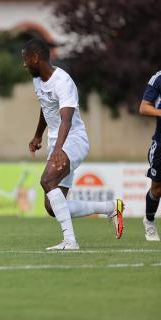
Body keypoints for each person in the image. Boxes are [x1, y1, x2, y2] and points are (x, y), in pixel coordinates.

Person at [21, 38, 124, 250]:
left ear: (35, 57)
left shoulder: (63, 81)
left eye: (25, 60)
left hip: (73, 140)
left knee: (47, 180)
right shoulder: (38, 80)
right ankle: (110, 208)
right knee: (52, 206)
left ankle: (70, 241)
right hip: (56, 142)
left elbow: (66, 119)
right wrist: (38, 135)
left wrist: (59, 149)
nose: (24, 64)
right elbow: (46, 107)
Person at [138, 70, 161, 241]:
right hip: (160, 144)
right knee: (157, 188)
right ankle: (149, 221)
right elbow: (144, 107)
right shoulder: (158, 79)